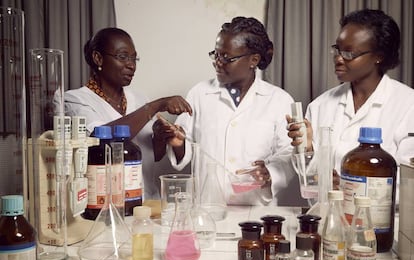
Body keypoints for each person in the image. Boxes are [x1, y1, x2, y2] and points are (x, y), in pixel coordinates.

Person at [153, 17, 303, 206]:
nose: (217, 62)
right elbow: (186, 149)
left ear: (253, 60)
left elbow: (289, 152)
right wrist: (178, 144)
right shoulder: (199, 93)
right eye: (215, 55)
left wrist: (270, 172)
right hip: (208, 207)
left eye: (226, 57)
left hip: (257, 210)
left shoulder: (279, 100)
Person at [287, 9, 414, 186]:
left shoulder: (408, 105)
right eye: (337, 49)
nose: (338, 59)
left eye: (349, 53)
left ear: (378, 56)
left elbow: (409, 180)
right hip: (327, 212)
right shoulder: (320, 105)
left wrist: (349, 186)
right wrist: (307, 148)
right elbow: (308, 176)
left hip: (382, 213)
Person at [64, 27, 192, 199]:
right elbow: (102, 142)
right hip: (106, 206)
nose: (131, 65)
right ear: (98, 58)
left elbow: (151, 156)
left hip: (147, 203)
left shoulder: (139, 98)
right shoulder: (74, 100)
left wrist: (161, 138)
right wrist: (154, 106)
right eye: (123, 57)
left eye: (134, 58)